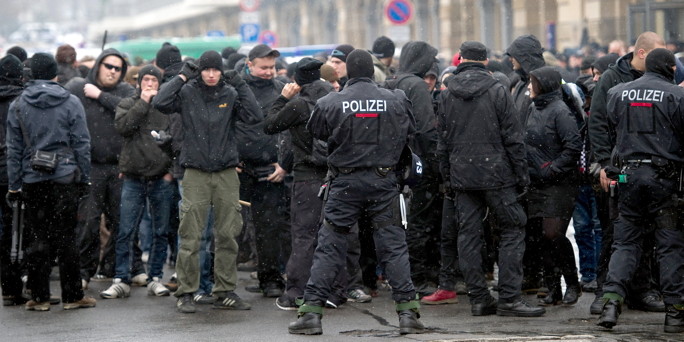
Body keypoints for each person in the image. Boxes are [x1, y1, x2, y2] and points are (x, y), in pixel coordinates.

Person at [288, 49, 424, 335]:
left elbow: (317, 132)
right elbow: (411, 129)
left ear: (345, 72)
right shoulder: (396, 99)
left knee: (330, 246)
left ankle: (311, 313)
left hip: (344, 183)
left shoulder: (331, 101)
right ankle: (408, 314)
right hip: (384, 182)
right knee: (393, 246)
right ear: (373, 71)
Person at [436, 41, 544, 317]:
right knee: (513, 227)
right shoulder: (497, 90)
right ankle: (509, 297)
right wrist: (522, 177)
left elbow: (442, 143)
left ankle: (479, 299)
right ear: (485, 61)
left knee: (468, 236)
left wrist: (448, 179)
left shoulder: (447, 94)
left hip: (462, 177)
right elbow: (513, 137)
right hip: (496, 175)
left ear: (460, 60)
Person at [152, 50, 262, 313]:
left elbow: (255, 115)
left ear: (222, 71)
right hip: (195, 172)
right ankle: (186, 291)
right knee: (191, 235)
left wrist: (240, 82)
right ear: (199, 71)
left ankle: (225, 290)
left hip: (225, 171)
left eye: (216, 70)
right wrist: (181, 76)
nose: (211, 75)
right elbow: (160, 101)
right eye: (206, 70)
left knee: (227, 234)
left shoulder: (231, 93)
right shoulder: (188, 92)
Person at [597, 48, 684, 333]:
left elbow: (609, 130)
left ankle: (611, 302)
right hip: (664, 181)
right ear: (671, 69)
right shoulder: (677, 96)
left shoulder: (618, 93)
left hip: (627, 177)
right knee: (669, 245)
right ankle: (675, 312)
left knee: (625, 243)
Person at [6, 52, 94, 311]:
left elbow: (14, 149)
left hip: (33, 178)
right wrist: (84, 178)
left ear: (30, 74)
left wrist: (14, 184)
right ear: (56, 74)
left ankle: (40, 297)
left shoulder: (19, 104)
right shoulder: (71, 102)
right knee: (66, 237)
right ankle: (72, 296)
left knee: (37, 239)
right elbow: (82, 143)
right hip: (64, 176)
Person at [588, 31, 667, 315]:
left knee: (647, 231)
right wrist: (603, 164)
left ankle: (641, 290)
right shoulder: (612, 78)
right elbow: (597, 123)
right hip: (618, 169)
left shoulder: (660, 78)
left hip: (651, 170)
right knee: (615, 230)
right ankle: (604, 289)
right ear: (643, 53)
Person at [263, 57, 334, 309]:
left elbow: (270, 125)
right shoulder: (336, 98)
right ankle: (333, 290)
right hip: (337, 176)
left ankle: (296, 292)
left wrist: (283, 98)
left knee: (304, 234)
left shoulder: (299, 105)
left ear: (297, 80)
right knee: (334, 233)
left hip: (307, 177)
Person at [101, 65, 174, 299]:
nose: (150, 84)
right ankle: (121, 278)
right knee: (125, 229)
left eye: (154, 80)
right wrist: (142, 102)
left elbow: (175, 140)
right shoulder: (127, 103)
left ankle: (155, 277)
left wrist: (169, 171)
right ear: (139, 82)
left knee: (160, 230)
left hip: (160, 177)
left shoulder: (167, 107)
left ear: (160, 83)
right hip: (132, 177)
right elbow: (123, 127)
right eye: (146, 80)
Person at [65, 48, 136, 289]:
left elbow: (132, 111)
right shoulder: (77, 88)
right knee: (88, 222)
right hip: (89, 166)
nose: (113, 72)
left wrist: (100, 96)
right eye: (108, 66)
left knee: (122, 221)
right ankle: (84, 270)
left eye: (118, 68)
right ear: (98, 66)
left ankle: (111, 267)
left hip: (119, 167)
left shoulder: (125, 91)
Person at [384, 40, 442, 297]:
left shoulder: (392, 81)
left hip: (395, 163)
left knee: (403, 222)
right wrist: (437, 164)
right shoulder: (416, 85)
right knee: (421, 222)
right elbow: (427, 131)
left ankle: (403, 276)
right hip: (418, 164)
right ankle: (420, 278)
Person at [523, 66, 582, 306]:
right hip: (536, 183)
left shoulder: (560, 111)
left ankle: (572, 283)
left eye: (532, 83)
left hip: (560, 185)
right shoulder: (531, 109)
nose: (528, 87)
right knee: (540, 237)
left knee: (553, 233)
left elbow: (573, 146)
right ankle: (552, 287)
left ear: (543, 85)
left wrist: (553, 168)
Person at [236, 44, 290, 298]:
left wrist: (284, 164)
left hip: (271, 170)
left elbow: (290, 131)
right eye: (264, 67)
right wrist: (230, 159)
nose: (269, 72)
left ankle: (271, 279)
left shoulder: (281, 90)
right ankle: (218, 282)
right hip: (238, 170)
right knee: (228, 229)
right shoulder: (236, 91)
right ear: (250, 64)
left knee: (269, 228)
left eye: (272, 67)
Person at [505, 35, 546, 294]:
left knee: (540, 228)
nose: (511, 61)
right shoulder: (520, 84)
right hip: (524, 164)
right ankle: (531, 276)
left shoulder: (542, 81)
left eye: (514, 56)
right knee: (527, 226)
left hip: (539, 166)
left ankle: (540, 277)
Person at [0, 54, 25, 307]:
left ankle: (8, 286)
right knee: (15, 229)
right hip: (12, 170)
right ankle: (14, 286)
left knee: (6, 230)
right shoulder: (21, 101)